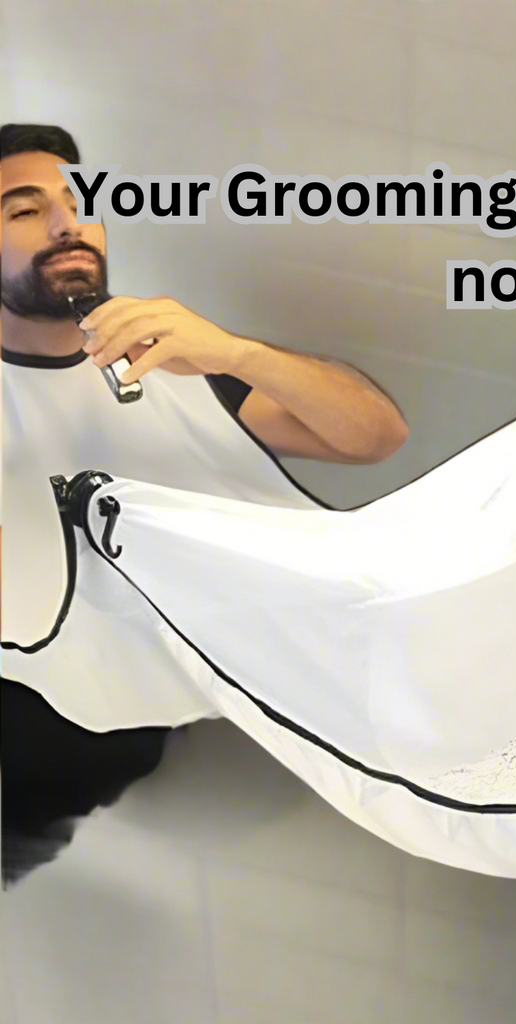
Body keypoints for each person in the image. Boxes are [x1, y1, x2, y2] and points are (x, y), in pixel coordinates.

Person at [0, 123, 409, 886]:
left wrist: (236, 354)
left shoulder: (174, 359)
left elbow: (374, 436)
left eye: (78, 203)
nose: (66, 225)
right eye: (23, 212)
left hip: (112, 736)